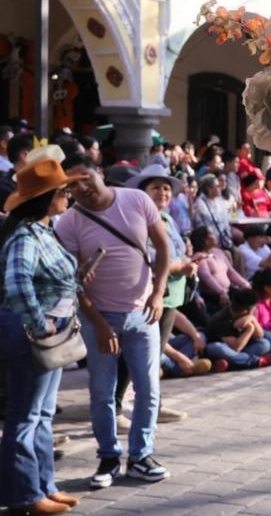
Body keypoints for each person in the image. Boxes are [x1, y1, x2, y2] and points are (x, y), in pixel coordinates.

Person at [55, 154, 172, 490]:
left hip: (143, 313)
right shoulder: (69, 223)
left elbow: (163, 247)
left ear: (100, 173)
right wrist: (101, 324)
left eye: (84, 178)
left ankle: (141, 456)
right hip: (98, 319)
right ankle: (108, 457)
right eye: (71, 184)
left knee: (148, 389)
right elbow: (72, 284)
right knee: (102, 393)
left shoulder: (137, 200)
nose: (80, 187)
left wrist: (159, 293)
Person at [0, 159, 86, 515]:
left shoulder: (43, 230)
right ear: (48, 197)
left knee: (42, 413)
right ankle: (24, 495)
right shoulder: (25, 236)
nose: (68, 195)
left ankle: (43, 486)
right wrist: (39, 323)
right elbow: (17, 284)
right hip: (30, 336)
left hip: (50, 335)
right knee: (26, 415)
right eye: (63, 191)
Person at [123, 164, 206, 422]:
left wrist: (190, 262)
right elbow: (147, 258)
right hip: (148, 295)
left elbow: (174, 253)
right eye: (156, 187)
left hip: (171, 296)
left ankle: (153, 407)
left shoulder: (167, 219)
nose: (162, 192)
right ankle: (119, 407)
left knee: (155, 354)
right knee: (138, 355)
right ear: (143, 192)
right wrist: (181, 266)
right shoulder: (139, 221)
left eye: (167, 188)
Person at [203, 288, 271, 372]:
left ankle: (231, 364)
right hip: (225, 350)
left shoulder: (248, 317)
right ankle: (257, 361)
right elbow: (236, 348)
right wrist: (250, 329)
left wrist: (252, 319)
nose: (256, 310)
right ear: (245, 311)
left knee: (264, 343)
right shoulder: (220, 320)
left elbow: (260, 336)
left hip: (239, 352)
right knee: (216, 348)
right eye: (255, 308)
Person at [191, 174, 234, 250]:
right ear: (209, 189)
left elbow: (225, 222)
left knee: (238, 253)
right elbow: (204, 228)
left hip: (223, 240)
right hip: (209, 243)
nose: (220, 188)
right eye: (217, 186)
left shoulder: (219, 201)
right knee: (228, 255)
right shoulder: (200, 204)